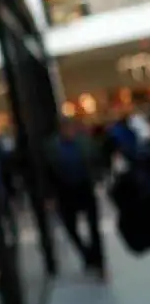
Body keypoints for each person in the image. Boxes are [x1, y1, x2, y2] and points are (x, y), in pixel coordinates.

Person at [44, 117, 106, 277]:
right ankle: (87, 254)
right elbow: (48, 171)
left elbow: (95, 159)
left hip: (84, 187)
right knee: (70, 226)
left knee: (93, 225)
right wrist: (50, 195)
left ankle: (98, 260)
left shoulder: (83, 143)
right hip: (65, 190)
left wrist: (97, 178)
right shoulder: (53, 147)